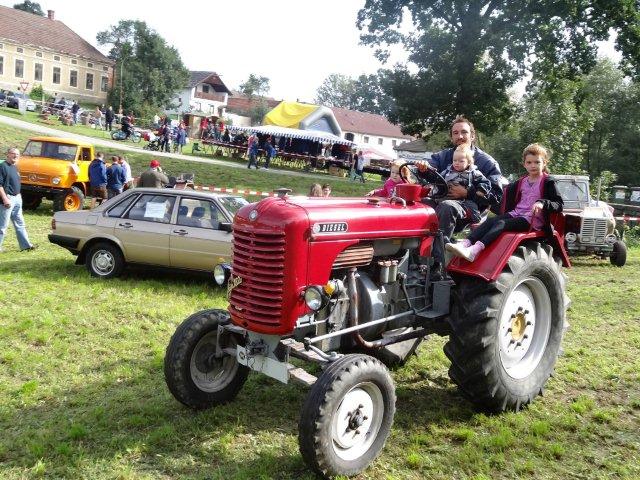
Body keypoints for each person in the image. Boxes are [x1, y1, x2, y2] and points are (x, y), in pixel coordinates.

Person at [447, 143, 563, 262]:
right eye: (529, 162)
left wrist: (542, 203)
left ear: (544, 163)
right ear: (524, 164)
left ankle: (475, 250)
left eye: (537, 162)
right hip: (516, 214)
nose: (533, 165)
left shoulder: (548, 181)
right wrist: (480, 192)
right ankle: (466, 244)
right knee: (490, 221)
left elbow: (559, 204)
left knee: (501, 224)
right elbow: (502, 195)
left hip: (533, 220)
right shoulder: (521, 182)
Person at [0, 148, 36, 252]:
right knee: (2, 227)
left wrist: (18, 195)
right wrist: (5, 199)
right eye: (13, 154)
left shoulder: (15, 167)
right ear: (8, 154)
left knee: (20, 224)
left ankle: (26, 246)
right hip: (7, 199)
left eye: (17, 154)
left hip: (17, 199)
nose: (15, 156)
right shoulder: (2, 167)